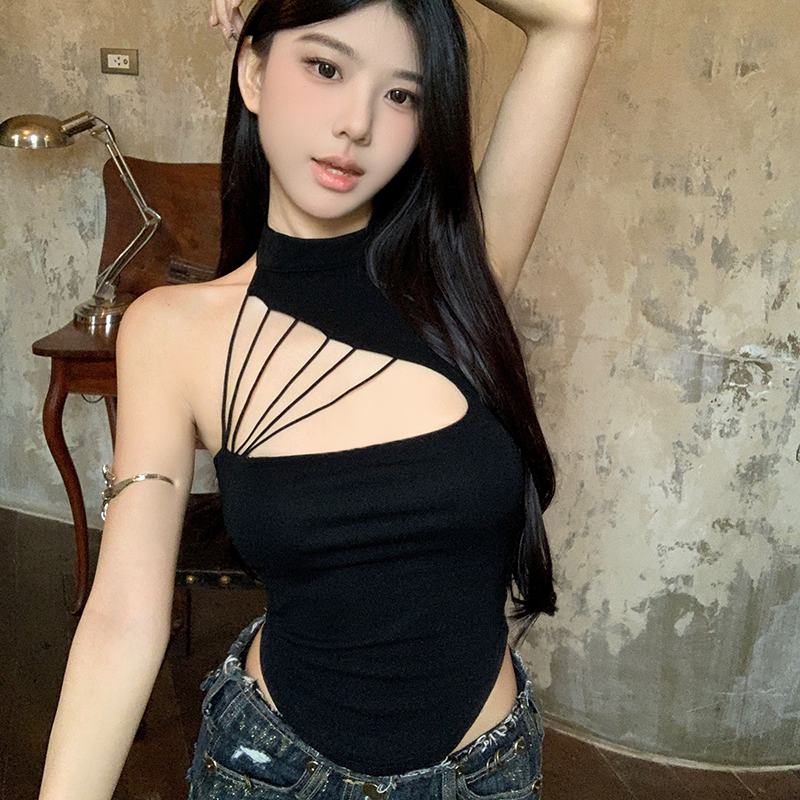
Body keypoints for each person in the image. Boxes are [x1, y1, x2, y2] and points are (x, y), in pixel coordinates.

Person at [37, 0, 602, 796]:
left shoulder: (462, 275)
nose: (356, 124)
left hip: (485, 777)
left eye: (401, 93)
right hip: (273, 774)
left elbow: (570, 17)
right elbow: (124, 616)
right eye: (326, 67)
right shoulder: (172, 332)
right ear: (253, 71)